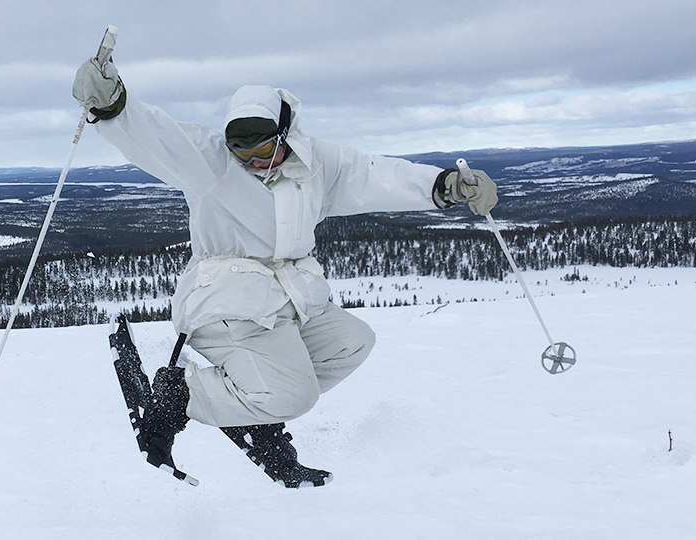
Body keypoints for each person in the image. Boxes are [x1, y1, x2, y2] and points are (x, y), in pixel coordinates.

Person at [73, 56, 497, 488]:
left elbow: (374, 175)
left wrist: (444, 186)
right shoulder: (211, 162)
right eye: (242, 152)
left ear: (287, 135)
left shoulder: (317, 167)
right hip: (226, 299)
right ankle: (176, 397)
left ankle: (255, 412)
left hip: (285, 297)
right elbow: (155, 136)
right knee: (296, 394)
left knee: (352, 343)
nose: (252, 162)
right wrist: (112, 104)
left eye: (262, 150)